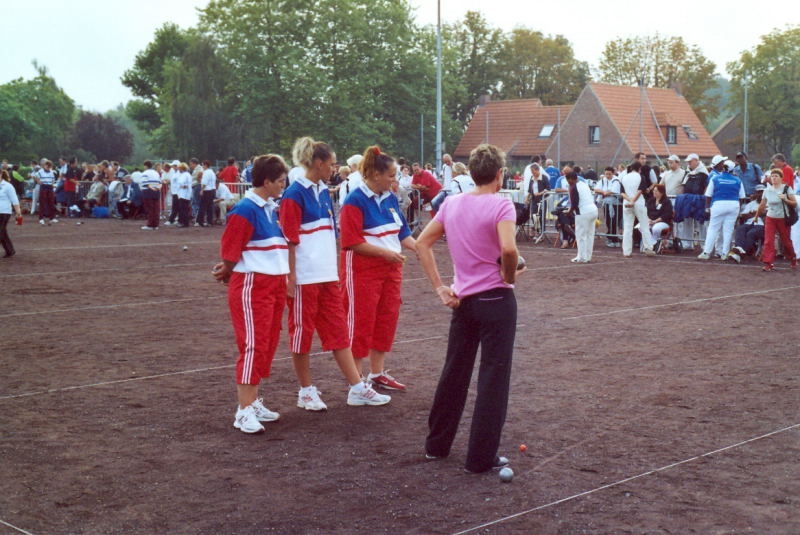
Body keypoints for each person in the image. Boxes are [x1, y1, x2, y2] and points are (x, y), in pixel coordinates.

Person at [416, 143, 520, 474]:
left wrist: (439, 287)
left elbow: (422, 243)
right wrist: (508, 275)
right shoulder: (502, 206)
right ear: (500, 174)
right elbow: (508, 249)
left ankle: (437, 446)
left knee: (454, 373)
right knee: (493, 378)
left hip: (463, 302)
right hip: (495, 301)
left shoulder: (452, 203)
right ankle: (479, 458)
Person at [280, 136, 390, 410]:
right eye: (331, 164)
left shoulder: (322, 191)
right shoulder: (293, 194)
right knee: (302, 333)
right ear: (318, 163)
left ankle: (356, 387)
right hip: (306, 277)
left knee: (339, 332)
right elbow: (289, 239)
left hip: (328, 275)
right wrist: (291, 277)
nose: (334, 168)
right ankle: (306, 390)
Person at [213, 154, 290, 434]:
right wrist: (227, 270)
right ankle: (243, 410)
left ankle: (253, 401)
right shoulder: (246, 209)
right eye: (280, 180)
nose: (284, 185)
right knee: (253, 344)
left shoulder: (270, 207)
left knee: (267, 342)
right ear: (267, 181)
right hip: (253, 284)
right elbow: (231, 248)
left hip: (273, 283)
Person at [339, 145, 417, 391]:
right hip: (363, 271)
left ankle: (377, 373)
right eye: (392, 175)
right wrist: (386, 254)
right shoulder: (354, 200)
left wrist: (421, 247)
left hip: (391, 270)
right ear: (375, 175)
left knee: (386, 319)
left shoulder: (391, 198)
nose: (395, 180)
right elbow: (351, 242)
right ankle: (357, 383)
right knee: (361, 322)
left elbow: (403, 234)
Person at [697, 157, 744, 260]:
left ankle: (706, 252)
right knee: (728, 230)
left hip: (718, 205)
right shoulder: (738, 180)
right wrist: (738, 209)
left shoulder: (715, 178)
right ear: (732, 169)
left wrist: (707, 207)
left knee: (713, 229)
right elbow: (741, 197)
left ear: (723, 168)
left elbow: (708, 195)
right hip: (734, 205)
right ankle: (724, 253)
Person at [755, 168, 797, 271]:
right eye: (772, 176)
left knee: (786, 241)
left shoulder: (786, 188)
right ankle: (768, 263)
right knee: (768, 240)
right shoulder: (767, 190)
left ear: (781, 178)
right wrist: (756, 216)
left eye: (776, 176)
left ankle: (793, 258)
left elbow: (794, 203)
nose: (773, 178)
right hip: (770, 217)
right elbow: (762, 205)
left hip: (783, 218)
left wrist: (785, 199)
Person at [620, 161, 656, 257]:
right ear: (639, 169)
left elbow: (622, 193)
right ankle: (648, 248)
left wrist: (630, 200)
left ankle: (626, 251)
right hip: (639, 203)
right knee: (644, 225)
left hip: (626, 203)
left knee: (627, 228)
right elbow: (640, 191)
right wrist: (633, 201)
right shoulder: (641, 177)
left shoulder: (624, 177)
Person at [566, 170, 598, 263]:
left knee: (581, 235)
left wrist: (569, 212)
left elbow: (574, 204)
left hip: (583, 212)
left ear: (571, 179)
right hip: (593, 210)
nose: (568, 182)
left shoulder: (573, 187)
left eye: (568, 180)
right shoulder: (583, 184)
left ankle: (581, 257)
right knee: (589, 235)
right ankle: (588, 256)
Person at [729, 185, 765, 264]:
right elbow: (743, 215)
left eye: (762, 192)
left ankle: (741, 254)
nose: (760, 194)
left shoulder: (768, 203)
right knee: (740, 229)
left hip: (762, 225)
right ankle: (739, 250)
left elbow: (766, 215)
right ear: (755, 193)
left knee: (751, 233)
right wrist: (757, 213)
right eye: (758, 192)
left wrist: (753, 213)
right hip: (749, 223)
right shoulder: (751, 204)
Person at [594, 166, 621, 247]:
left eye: (609, 174)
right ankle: (612, 238)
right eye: (606, 174)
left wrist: (605, 192)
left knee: (614, 222)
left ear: (613, 173)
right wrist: (603, 191)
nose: (608, 176)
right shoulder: (603, 180)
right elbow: (596, 189)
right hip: (606, 203)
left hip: (615, 204)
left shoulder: (616, 180)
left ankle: (614, 238)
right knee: (608, 221)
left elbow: (612, 191)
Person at [0, 170, 22, 258]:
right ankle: (10, 250)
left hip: (4, 212)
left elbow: (14, 200)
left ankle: (10, 250)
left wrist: (18, 212)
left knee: (0, 231)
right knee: (3, 232)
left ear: (1, 174)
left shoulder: (8, 186)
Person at [34, 159, 58, 225]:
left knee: (51, 203)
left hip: (50, 187)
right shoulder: (40, 171)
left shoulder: (51, 171)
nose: (48, 167)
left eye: (49, 166)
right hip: (43, 187)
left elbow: (53, 179)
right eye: (47, 165)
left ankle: (52, 218)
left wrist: (52, 184)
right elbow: (35, 176)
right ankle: (41, 218)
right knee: (42, 203)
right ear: (44, 165)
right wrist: (39, 182)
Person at [139, 160, 162, 230]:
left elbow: (143, 183)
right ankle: (155, 225)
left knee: (150, 209)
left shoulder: (145, 173)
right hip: (156, 191)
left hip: (148, 192)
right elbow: (159, 182)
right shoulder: (156, 173)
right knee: (156, 209)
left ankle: (150, 225)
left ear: (146, 166)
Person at [196, 160, 217, 227]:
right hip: (212, 190)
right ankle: (210, 221)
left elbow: (204, 182)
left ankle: (200, 221)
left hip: (207, 190)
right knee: (210, 207)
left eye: (203, 165)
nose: (202, 166)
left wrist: (201, 190)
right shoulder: (212, 172)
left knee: (202, 206)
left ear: (205, 165)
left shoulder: (206, 172)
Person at [174, 163, 193, 227]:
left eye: (179, 168)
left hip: (183, 194)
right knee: (185, 208)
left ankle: (183, 222)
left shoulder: (184, 175)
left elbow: (181, 183)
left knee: (183, 209)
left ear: (182, 168)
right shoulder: (187, 174)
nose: (178, 169)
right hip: (186, 194)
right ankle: (185, 222)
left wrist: (182, 186)